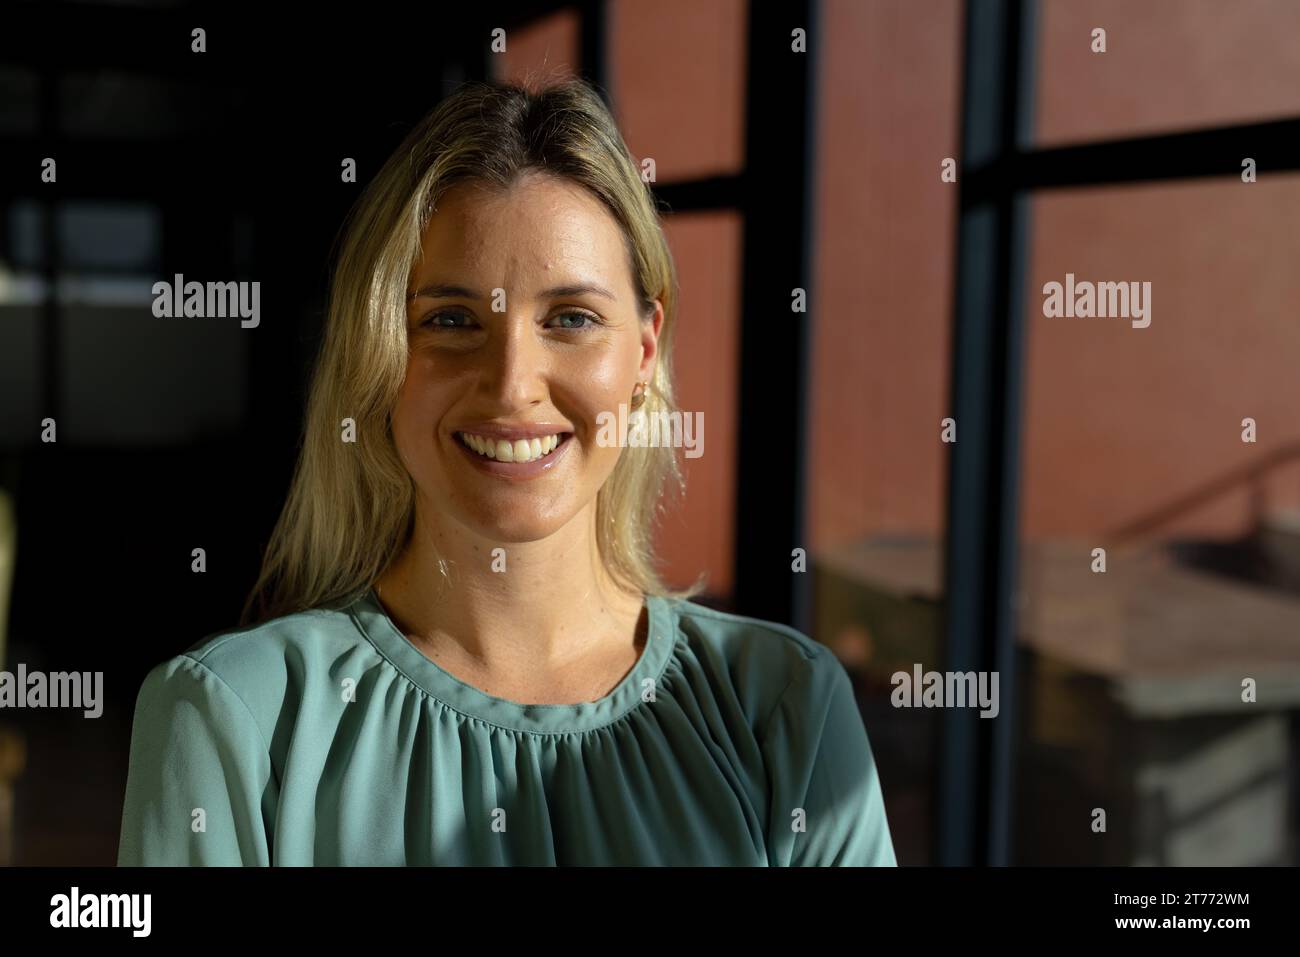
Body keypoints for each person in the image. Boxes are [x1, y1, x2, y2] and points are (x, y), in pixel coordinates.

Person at [116, 78, 896, 866]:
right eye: (451, 320)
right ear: (380, 357)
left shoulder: (786, 706)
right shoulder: (232, 719)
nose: (513, 383)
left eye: (571, 318)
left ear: (645, 350)